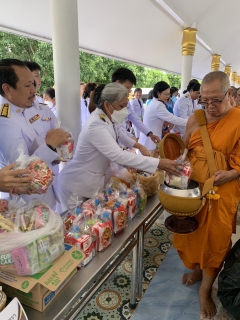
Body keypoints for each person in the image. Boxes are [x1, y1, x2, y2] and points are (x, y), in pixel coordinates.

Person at [173, 71, 240, 319]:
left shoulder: (238, 120)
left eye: (216, 100)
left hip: (221, 193)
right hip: (193, 190)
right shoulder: (196, 118)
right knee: (191, 232)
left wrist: (233, 174)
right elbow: (186, 148)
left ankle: (205, 290)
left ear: (230, 94)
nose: (210, 106)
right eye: (204, 100)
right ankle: (197, 270)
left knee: (214, 239)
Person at [57, 83, 181, 211]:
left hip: (89, 184)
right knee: (74, 225)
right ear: (107, 105)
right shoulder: (96, 124)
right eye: (122, 106)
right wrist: (159, 163)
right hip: (76, 185)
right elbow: (117, 155)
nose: (125, 111)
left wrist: (137, 148)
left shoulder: (108, 119)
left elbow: (120, 138)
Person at [0, 59, 71, 208]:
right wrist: (50, 146)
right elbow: (20, 171)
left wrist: (55, 154)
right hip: (25, 204)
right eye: (27, 86)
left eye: (33, 83)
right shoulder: (4, 119)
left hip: (45, 191)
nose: (34, 90)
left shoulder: (29, 106)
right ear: (7, 89)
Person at [139, 81, 187, 152]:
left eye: (169, 94)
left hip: (148, 140)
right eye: (166, 94)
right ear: (158, 93)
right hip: (150, 143)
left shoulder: (154, 102)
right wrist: (190, 121)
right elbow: (173, 119)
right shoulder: (158, 105)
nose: (168, 97)